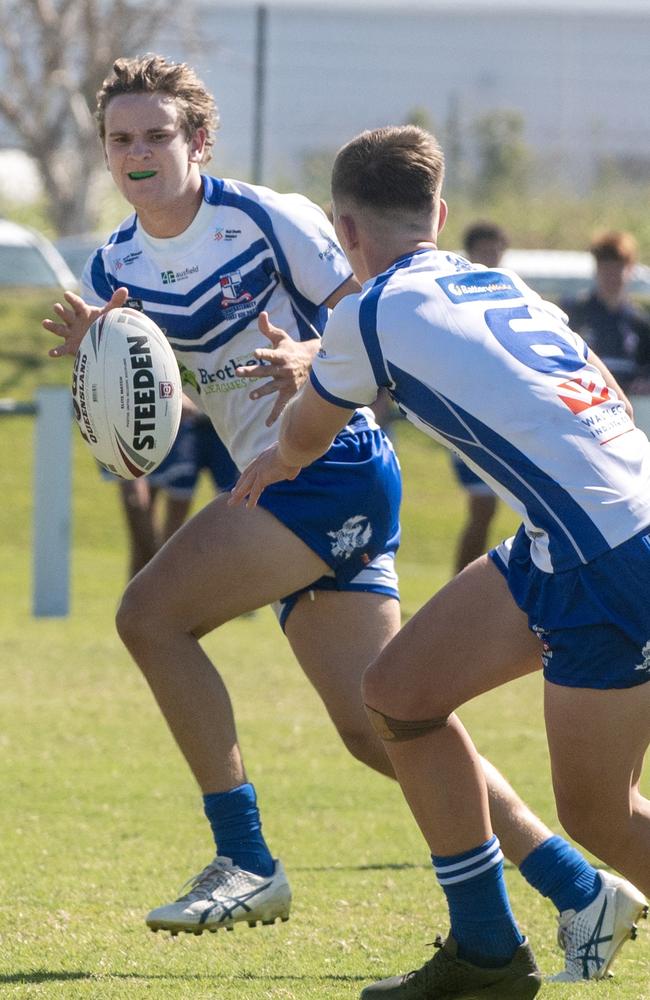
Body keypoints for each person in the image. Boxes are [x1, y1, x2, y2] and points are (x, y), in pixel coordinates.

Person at [43, 60, 640, 983]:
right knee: (387, 715)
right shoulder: (112, 266)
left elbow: (354, 320)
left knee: (149, 616)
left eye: (156, 135)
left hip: (327, 470)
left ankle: (245, 858)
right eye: (121, 139)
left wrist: (312, 376)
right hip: (311, 475)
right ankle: (570, 891)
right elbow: (170, 399)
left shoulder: (267, 219)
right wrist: (110, 369)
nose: (137, 153)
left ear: (197, 141)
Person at [230, 124, 650, 995]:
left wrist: (277, 457)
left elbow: (310, 429)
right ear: (441, 215)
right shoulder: (493, 282)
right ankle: (487, 953)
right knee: (398, 694)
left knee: (598, 814)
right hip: (578, 535)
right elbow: (420, 358)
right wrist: (326, 358)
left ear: (345, 232)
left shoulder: (369, 313)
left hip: (604, 561)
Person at [105, 405, 238, 578]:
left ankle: (161, 584)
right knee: (143, 522)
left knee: (233, 520)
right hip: (161, 423)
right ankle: (146, 592)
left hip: (216, 424)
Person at [450, 222, 509, 573]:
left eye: (496, 250)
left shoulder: (508, 292)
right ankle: (460, 590)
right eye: (484, 250)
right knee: (483, 508)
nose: (491, 257)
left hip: (504, 418)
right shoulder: (457, 296)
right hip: (469, 418)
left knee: (492, 511)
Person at [562, 230, 650, 392]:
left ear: (629, 269)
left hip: (631, 406)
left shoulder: (640, 324)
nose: (611, 276)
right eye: (605, 268)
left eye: (617, 268)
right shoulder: (574, 314)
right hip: (586, 400)